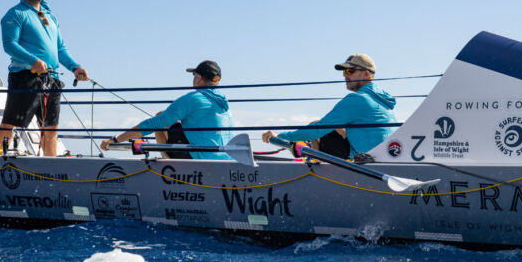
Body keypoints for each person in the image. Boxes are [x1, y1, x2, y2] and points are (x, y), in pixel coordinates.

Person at [0, 0, 88, 156]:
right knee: (10, 123)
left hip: (51, 79)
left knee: (51, 127)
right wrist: (33, 60)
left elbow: (60, 49)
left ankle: (51, 167)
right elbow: (9, 45)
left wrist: (75, 67)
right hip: (25, 77)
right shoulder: (15, 14)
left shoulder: (50, 17)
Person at [262, 53, 396, 158]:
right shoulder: (383, 100)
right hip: (387, 157)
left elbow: (317, 130)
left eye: (350, 71)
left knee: (319, 127)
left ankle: (314, 169)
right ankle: (305, 151)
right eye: (344, 72)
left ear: (366, 74)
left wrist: (279, 136)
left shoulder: (358, 99)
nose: (345, 76)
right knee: (330, 126)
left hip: (369, 164)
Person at [100, 60, 235, 160]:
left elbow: (154, 123)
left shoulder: (193, 98)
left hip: (201, 160)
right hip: (225, 159)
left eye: (194, 74)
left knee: (160, 118)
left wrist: (116, 139)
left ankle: (169, 164)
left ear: (199, 78)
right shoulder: (224, 101)